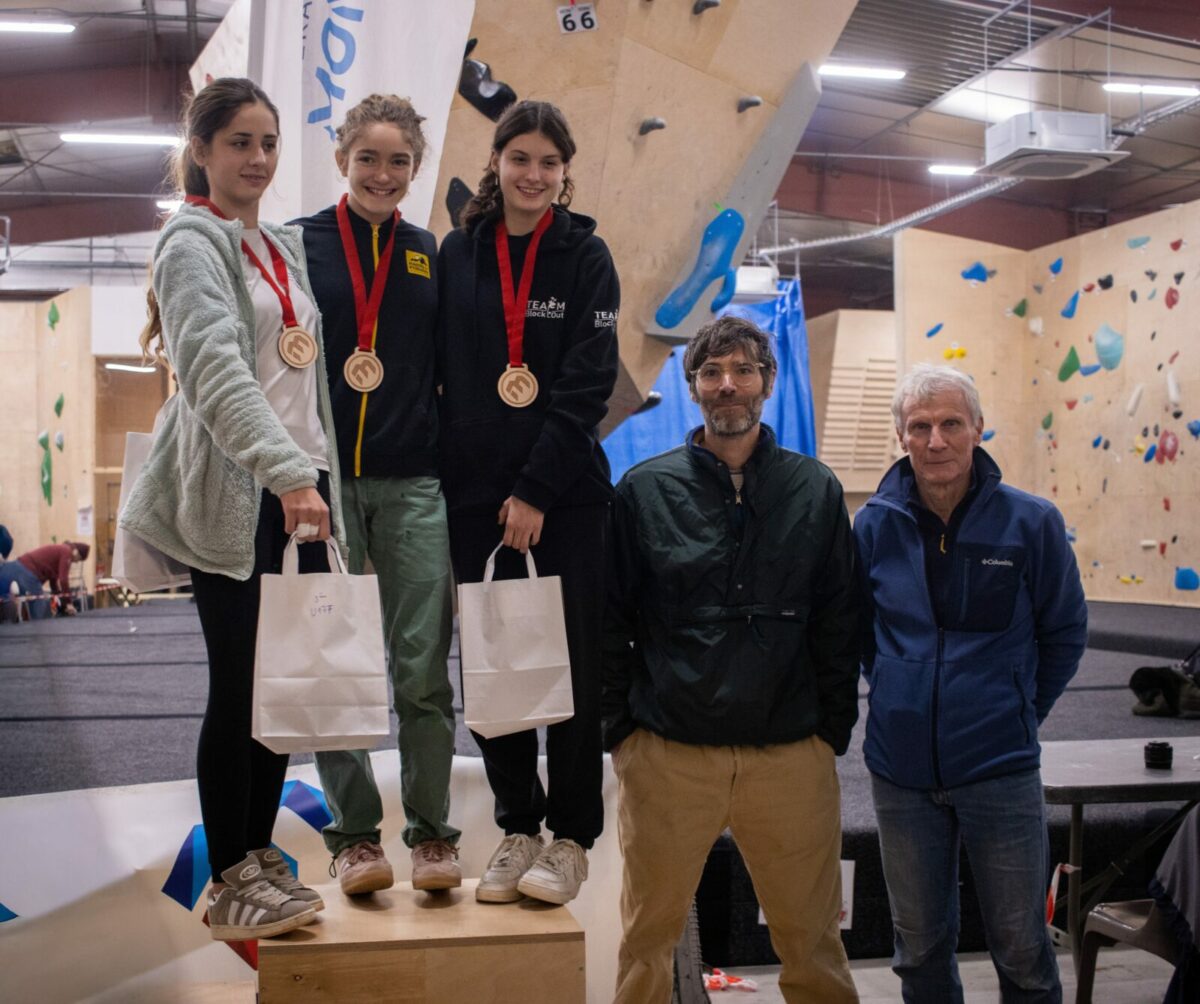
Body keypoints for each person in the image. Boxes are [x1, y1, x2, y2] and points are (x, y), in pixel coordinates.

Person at [120, 77, 343, 941]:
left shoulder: (277, 244)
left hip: (299, 490)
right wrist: (287, 474)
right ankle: (229, 876)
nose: (258, 158)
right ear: (202, 152)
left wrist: (317, 483)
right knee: (241, 682)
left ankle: (257, 857)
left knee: (279, 687)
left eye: (269, 143)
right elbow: (214, 372)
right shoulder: (190, 242)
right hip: (243, 491)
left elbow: (303, 381)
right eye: (240, 143)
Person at [603, 315, 861, 1004]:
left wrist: (829, 731)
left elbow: (840, 619)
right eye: (712, 372)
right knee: (645, 943)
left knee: (813, 945)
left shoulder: (815, 489)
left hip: (791, 755)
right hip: (669, 755)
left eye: (744, 370)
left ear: (767, 383)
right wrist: (623, 735)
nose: (728, 385)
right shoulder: (643, 490)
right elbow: (609, 621)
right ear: (693, 387)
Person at [854, 363, 1087, 1003]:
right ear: (901, 435)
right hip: (900, 773)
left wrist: (1017, 709)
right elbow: (861, 635)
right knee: (919, 950)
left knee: (1023, 949)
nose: (936, 441)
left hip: (999, 767)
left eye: (951, 424)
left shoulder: (1032, 523)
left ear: (978, 428)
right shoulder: (872, 526)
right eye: (920, 426)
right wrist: (900, 693)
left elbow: (1065, 633)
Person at [438, 99, 619, 906]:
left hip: (566, 497)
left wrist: (537, 489)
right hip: (476, 500)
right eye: (521, 159)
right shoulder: (459, 252)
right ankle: (520, 826)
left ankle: (572, 836)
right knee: (495, 666)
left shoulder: (586, 256)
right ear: (497, 161)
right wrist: (480, 491)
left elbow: (588, 383)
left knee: (573, 665)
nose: (534, 175)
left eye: (549, 162)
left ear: (564, 170)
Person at [294, 94, 460, 896]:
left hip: (414, 484)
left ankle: (431, 835)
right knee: (335, 662)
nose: (383, 174)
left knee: (421, 667)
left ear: (415, 168)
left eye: (399, 161)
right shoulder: (299, 244)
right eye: (369, 158)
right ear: (343, 159)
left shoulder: (427, 252)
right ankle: (355, 838)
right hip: (325, 488)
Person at [2, 540, 87, 618]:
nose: (76, 562)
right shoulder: (67, 552)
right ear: (76, 552)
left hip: (17, 565)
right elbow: (63, 580)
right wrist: (68, 603)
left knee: (11, 601)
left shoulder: (60, 550)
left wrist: (61, 601)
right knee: (39, 606)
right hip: (28, 572)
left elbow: (53, 581)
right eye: (79, 559)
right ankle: (38, 629)